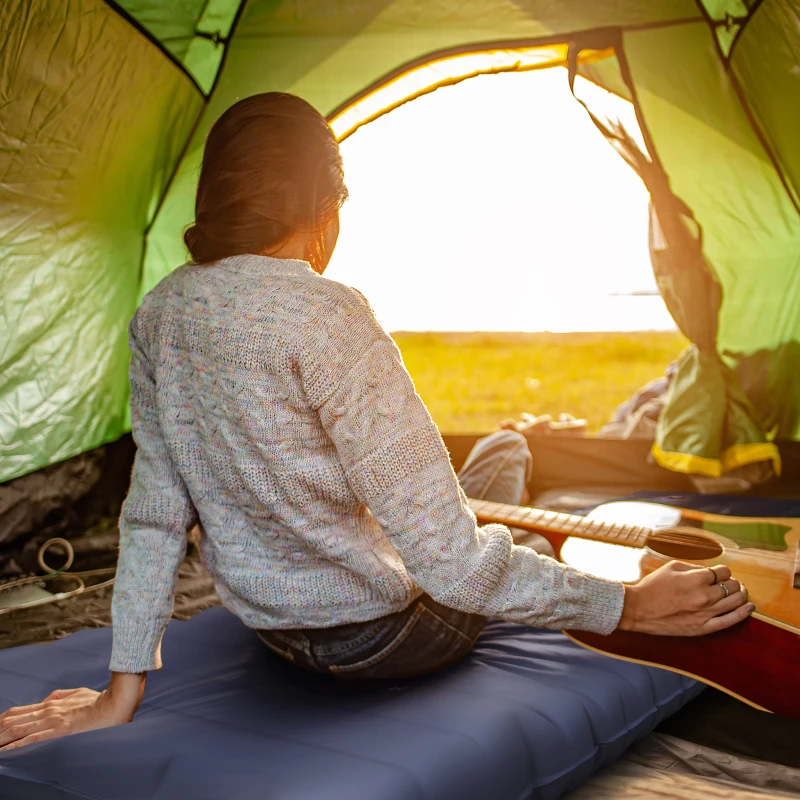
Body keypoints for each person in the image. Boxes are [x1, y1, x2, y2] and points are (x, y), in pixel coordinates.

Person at [0, 93, 753, 751]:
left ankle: (514, 503)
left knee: (498, 455)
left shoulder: (161, 311)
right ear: (324, 212)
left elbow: (155, 515)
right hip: (385, 641)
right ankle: (527, 524)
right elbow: (453, 568)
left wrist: (119, 693)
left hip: (275, 632)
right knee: (501, 479)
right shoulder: (329, 315)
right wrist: (626, 606)